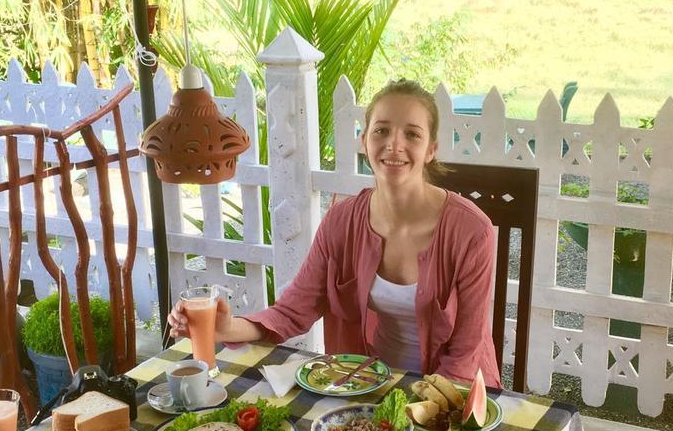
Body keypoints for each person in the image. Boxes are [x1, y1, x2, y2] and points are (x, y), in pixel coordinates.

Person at [167, 79, 501, 387]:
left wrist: (414, 408)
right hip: (366, 384)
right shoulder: (342, 222)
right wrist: (225, 327)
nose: (394, 145)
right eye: (381, 131)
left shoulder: (472, 231)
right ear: (364, 141)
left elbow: (465, 353)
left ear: (431, 149)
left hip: (453, 390)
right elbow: (292, 311)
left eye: (412, 134)